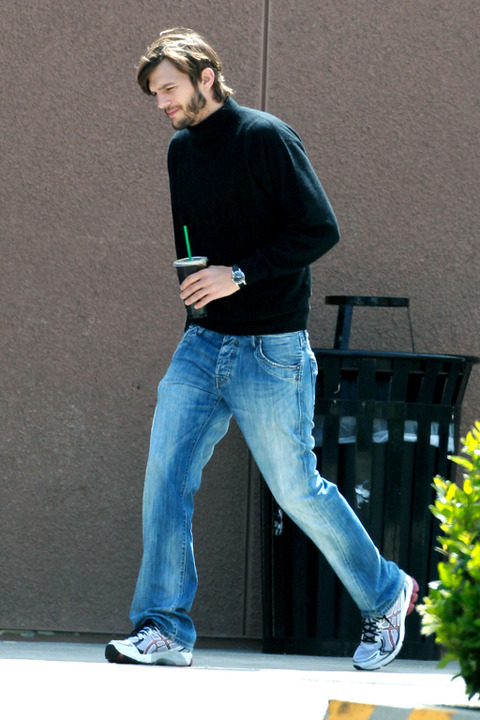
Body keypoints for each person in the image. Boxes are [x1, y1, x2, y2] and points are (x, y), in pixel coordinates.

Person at [105, 27, 418, 670]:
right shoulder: (181, 150)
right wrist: (198, 284)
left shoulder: (266, 137)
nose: (162, 103)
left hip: (272, 349)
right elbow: (195, 238)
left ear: (206, 77)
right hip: (202, 343)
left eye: (169, 88)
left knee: (297, 489)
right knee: (165, 478)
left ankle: (387, 592)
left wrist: (239, 274)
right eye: (155, 94)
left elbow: (319, 229)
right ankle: (164, 627)